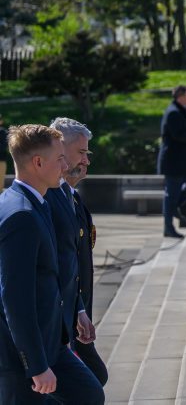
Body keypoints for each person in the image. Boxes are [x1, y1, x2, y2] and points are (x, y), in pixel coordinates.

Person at [0, 125, 104, 404]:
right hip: (23, 356)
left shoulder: (36, 203)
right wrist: (36, 365)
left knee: (90, 393)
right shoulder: (21, 215)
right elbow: (15, 298)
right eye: (60, 158)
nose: (66, 164)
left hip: (50, 342)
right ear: (37, 162)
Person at [49, 117, 107, 386]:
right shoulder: (47, 200)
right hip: (61, 322)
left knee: (95, 380)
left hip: (77, 316)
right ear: (60, 151)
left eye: (88, 153)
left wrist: (81, 310)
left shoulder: (71, 197)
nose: (87, 161)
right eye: (81, 153)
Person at [157, 86, 186, 239]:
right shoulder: (173, 113)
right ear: (181, 96)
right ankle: (168, 227)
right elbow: (178, 134)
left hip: (184, 161)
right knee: (171, 194)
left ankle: (175, 205)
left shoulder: (179, 110)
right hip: (174, 162)